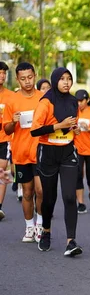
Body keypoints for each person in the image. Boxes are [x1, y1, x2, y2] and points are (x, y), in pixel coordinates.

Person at [31, 67, 82, 256]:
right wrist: (59, 125)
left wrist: (74, 129)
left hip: (68, 152)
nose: (66, 82)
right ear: (55, 81)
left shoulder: (73, 101)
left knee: (69, 196)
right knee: (49, 198)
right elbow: (35, 130)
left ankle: (71, 241)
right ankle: (46, 230)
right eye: (62, 79)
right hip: (48, 153)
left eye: (69, 78)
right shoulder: (46, 102)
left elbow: (74, 124)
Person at [2, 62, 43, 241]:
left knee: (41, 191)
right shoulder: (12, 100)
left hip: (41, 152)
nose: (27, 81)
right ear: (18, 80)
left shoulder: (44, 98)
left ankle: (40, 224)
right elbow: (7, 130)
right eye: (23, 79)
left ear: (35, 75)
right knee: (27, 192)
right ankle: (29, 226)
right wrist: (13, 121)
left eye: (30, 77)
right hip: (21, 153)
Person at [0, 61, 15, 221]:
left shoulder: (11, 96)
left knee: (1, 171)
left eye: (4, 72)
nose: (2, 75)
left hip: (4, 140)